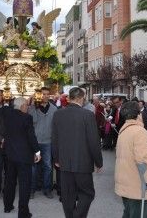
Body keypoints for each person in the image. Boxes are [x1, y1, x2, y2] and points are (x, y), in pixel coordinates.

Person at [52, 87, 103, 218]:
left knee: (67, 196)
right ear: (81, 98)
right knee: (87, 193)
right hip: (83, 164)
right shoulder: (87, 115)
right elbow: (94, 141)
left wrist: (56, 158)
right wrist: (99, 162)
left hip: (64, 163)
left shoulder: (58, 114)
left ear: (70, 98)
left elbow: (54, 138)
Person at [114, 102, 147, 218]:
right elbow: (143, 159)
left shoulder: (124, 130)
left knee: (128, 213)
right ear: (138, 114)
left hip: (126, 181)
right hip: (136, 184)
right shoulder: (139, 131)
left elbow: (133, 151)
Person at [3, 97, 41, 217]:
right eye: (26, 105)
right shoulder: (27, 118)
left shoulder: (7, 115)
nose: (28, 107)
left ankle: (7, 206)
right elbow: (31, 136)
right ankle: (23, 212)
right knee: (25, 184)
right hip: (24, 156)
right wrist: (37, 152)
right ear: (21, 106)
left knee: (10, 182)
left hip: (10, 155)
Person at [28, 86, 57, 199]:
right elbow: (32, 121)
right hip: (35, 142)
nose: (45, 96)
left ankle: (47, 189)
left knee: (48, 166)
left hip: (48, 142)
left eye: (47, 94)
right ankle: (32, 189)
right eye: (43, 94)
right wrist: (34, 106)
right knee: (33, 167)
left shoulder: (54, 109)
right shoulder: (32, 108)